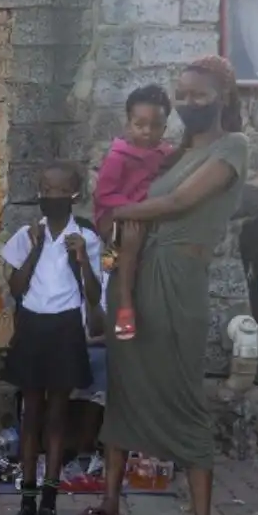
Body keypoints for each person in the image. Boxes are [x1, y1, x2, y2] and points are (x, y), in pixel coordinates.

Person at [83, 55, 248, 515]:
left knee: (181, 393)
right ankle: (110, 502)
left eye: (199, 95)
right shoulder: (170, 152)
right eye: (183, 94)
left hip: (178, 279)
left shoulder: (232, 147)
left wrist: (116, 214)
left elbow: (178, 204)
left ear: (222, 97)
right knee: (125, 387)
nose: (188, 103)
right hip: (134, 277)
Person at [0, 162, 105, 515]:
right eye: (45, 188)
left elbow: (94, 295)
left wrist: (81, 260)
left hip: (65, 327)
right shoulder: (27, 234)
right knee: (30, 415)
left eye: (59, 191)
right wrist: (37, 247)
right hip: (32, 324)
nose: (51, 196)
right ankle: (26, 502)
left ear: (75, 196)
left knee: (58, 416)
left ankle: (49, 504)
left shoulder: (87, 237)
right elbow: (15, 287)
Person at [95, 84, 172, 340]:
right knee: (130, 236)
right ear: (128, 124)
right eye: (140, 124)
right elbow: (104, 195)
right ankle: (125, 304)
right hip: (114, 216)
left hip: (142, 214)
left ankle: (110, 264)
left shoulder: (165, 154)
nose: (147, 132)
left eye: (156, 125)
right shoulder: (118, 157)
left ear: (165, 127)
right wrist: (133, 209)